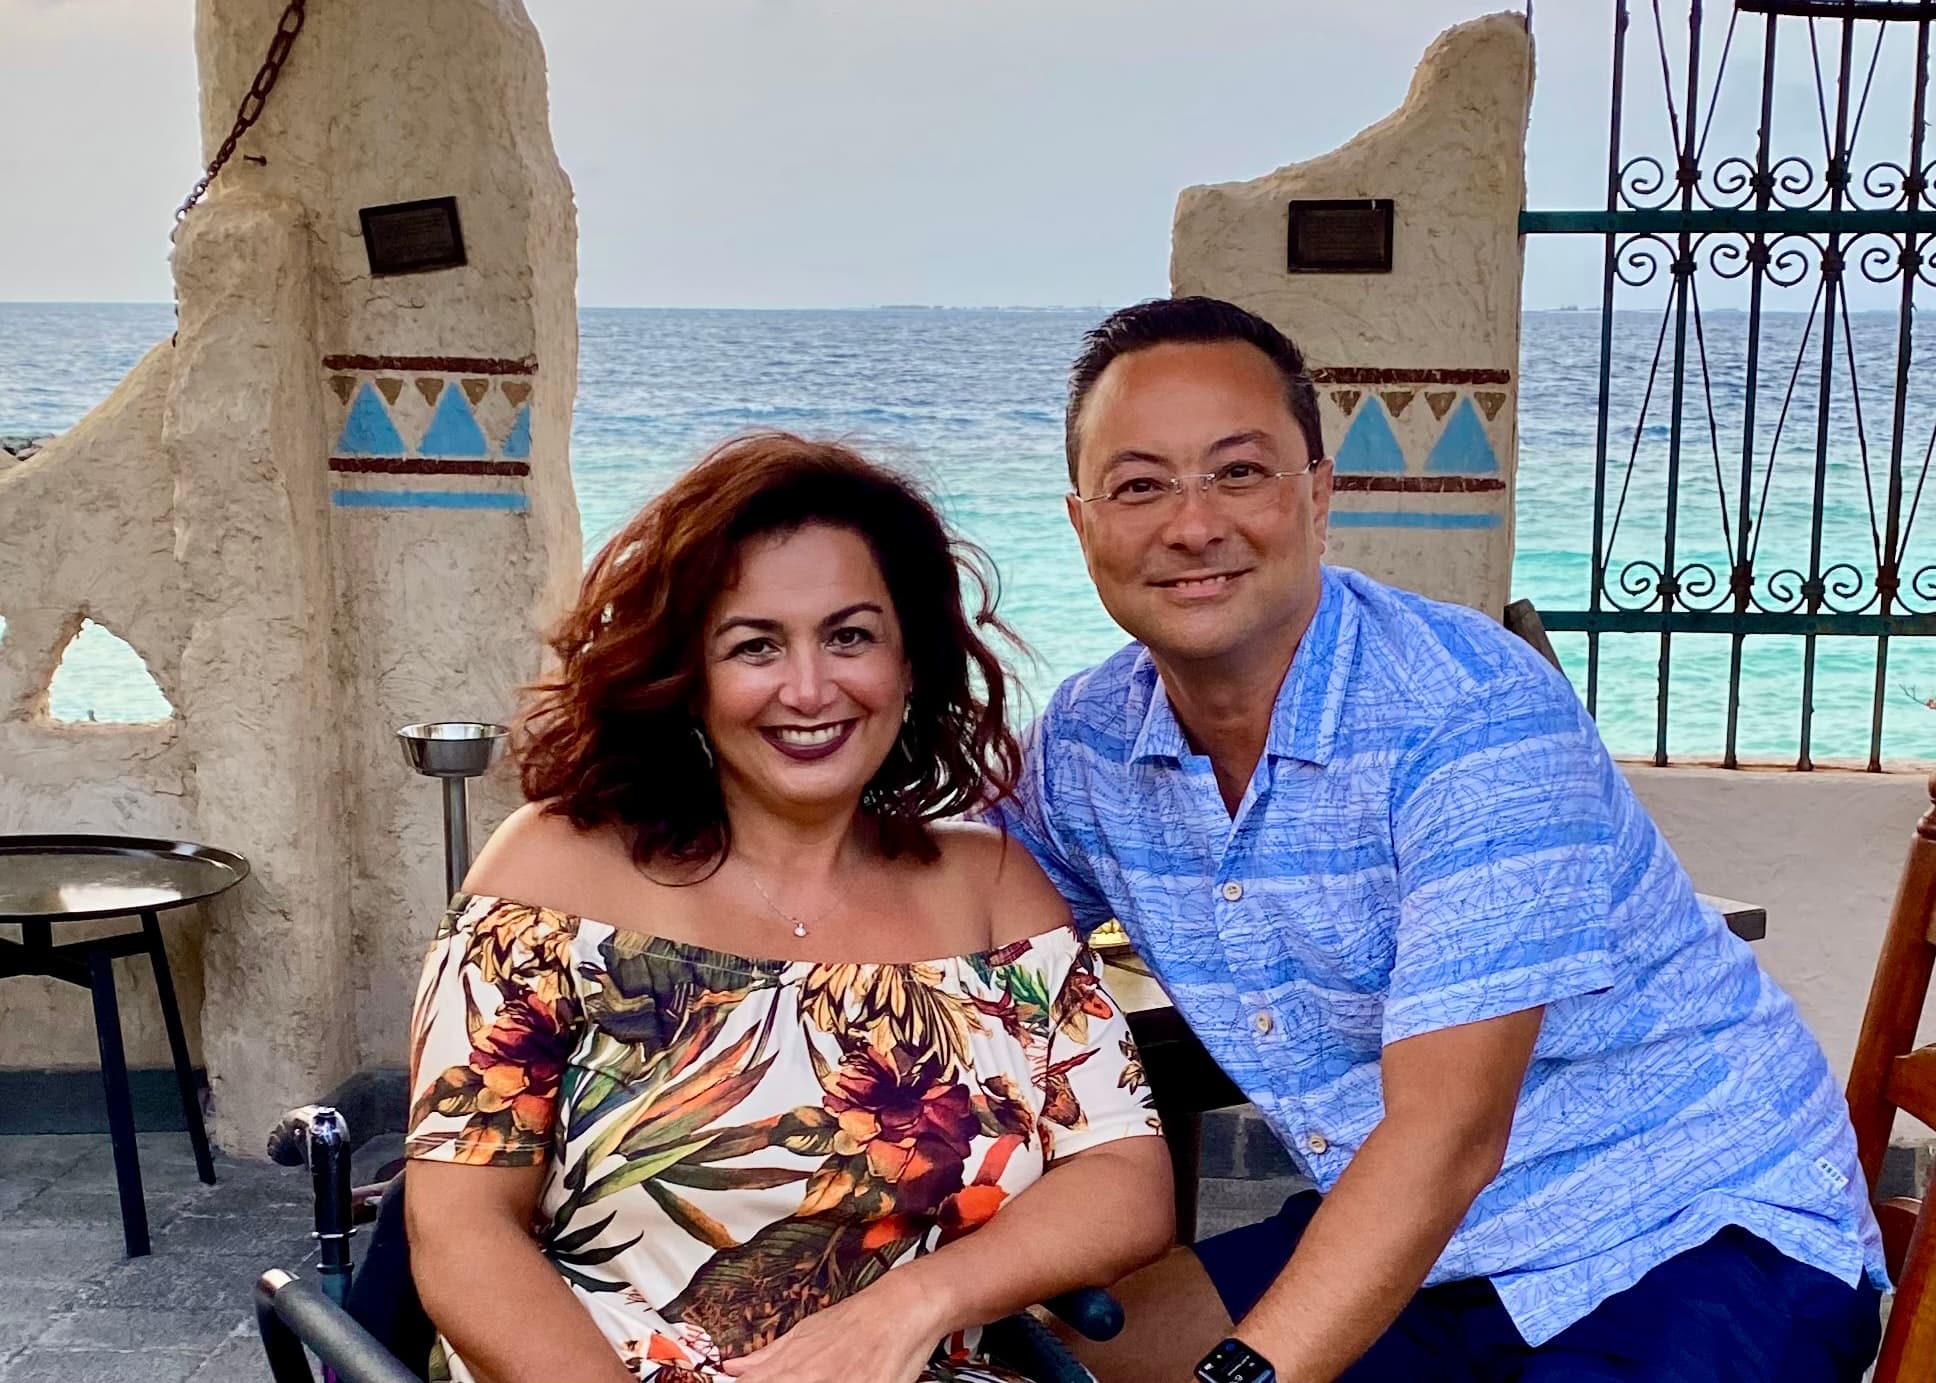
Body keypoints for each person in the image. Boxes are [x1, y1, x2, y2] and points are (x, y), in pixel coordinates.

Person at [985, 296, 1889, 1382]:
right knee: (1041, 1359)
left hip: (1684, 1226)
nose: (1191, 525)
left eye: (1239, 471)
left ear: (1318, 494)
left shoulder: (1469, 716)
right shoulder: (1089, 743)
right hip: (1431, 1246)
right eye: (1139, 486)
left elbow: (1447, 1137)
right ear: (1081, 524)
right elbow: (948, 908)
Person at [402, 433, 1173, 1383]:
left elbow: (1124, 1178)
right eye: (755, 645)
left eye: (850, 636)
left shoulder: (991, 887)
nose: (809, 689)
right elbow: (461, 1232)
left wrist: (908, 1308)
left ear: (910, 661)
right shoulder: (551, 874)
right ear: (689, 675)